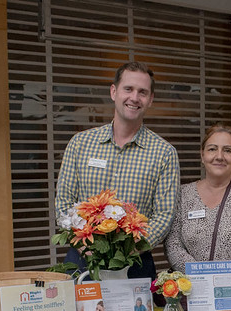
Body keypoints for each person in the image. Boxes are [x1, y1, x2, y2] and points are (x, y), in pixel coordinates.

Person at [55, 62, 181, 280]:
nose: (134, 98)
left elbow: (164, 215)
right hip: (82, 258)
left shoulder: (164, 153)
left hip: (135, 263)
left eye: (142, 92)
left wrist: (125, 252)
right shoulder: (80, 143)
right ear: (114, 92)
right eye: (128, 89)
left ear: (150, 99)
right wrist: (87, 247)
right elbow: (64, 204)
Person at [165, 124, 231, 272]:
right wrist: (199, 274)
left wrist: (229, 274)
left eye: (227, 150)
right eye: (212, 149)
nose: (219, 156)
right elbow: (173, 244)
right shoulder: (183, 195)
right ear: (202, 155)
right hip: (193, 287)